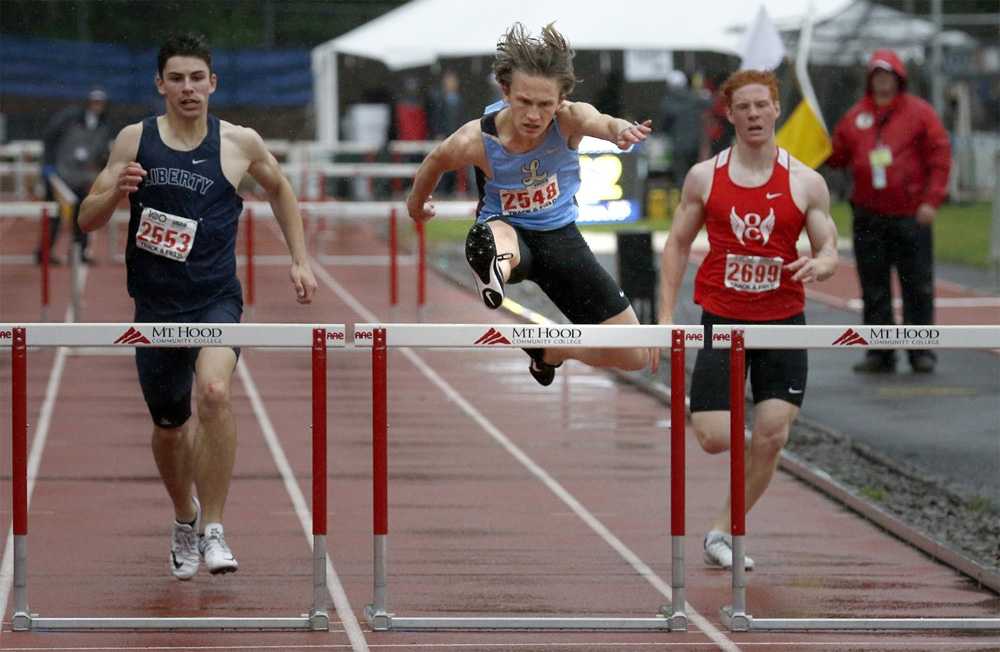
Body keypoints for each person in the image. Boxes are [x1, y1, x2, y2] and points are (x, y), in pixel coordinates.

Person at [78, 33, 317, 580]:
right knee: (169, 425)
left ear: (214, 83)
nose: (189, 89)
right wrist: (116, 193)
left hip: (215, 298)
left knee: (213, 391)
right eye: (177, 79)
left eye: (197, 78)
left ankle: (214, 528)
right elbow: (85, 218)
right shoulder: (133, 140)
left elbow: (280, 189)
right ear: (160, 85)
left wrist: (300, 259)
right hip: (155, 305)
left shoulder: (238, 142)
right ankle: (184, 518)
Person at [656, 69, 838, 570]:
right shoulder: (705, 177)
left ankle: (722, 529)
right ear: (730, 114)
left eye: (762, 105)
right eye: (744, 107)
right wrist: (668, 316)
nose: (754, 115)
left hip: (782, 321)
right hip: (724, 321)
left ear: (776, 109)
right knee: (714, 438)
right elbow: (675, 245)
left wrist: (821, 264)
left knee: (773, 433)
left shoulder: (805, 181)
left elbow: (829, 248)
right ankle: (745, 472)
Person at [406, 22, 652, 386]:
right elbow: (435, 162)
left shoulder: (570, 118)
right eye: (524, 102)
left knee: (635, 354)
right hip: (507, 230)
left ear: (561, 100)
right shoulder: (476, 138)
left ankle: (550, 351)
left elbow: (601, 121)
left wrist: (620, 131)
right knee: (498, 237)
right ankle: (493, 267)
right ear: (506, 91)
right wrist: (416, 205)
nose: (534, 115)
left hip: (560, 240)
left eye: (544, 104)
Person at [828, 49, 951, 374]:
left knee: (918, 286)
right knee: (873, 286)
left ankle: (920, 351)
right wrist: (821, 144)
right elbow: (837, 155)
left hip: (911, 214)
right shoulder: (856, 116)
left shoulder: (920, 114)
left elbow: (939, 158)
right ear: (871, 80)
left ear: (898, 78)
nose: (883, 81)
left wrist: (931, 201)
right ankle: (879, 352)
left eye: (888, 75)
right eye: (877, 75)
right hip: (869, 216)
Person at [35, 87, 113, 265]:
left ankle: (78, 253)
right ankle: (43, 253)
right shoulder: (68, 118)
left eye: (101, 102)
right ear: (87, 102)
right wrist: (48, 165)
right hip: (60, 176)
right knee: (54, 217)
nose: (97, 106)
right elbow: (49, 138)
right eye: (94, 101)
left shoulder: (104, 127)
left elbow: (103, 153)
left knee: (83, 217)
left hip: (83, 179)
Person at [660, 70, 710, 188]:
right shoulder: (693, 97)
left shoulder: (668, 102)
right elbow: (709, 103)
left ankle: (684, 201)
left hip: (678, 145)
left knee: (681, 178)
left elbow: (665, 125)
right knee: (694, 174)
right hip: (694, 143)